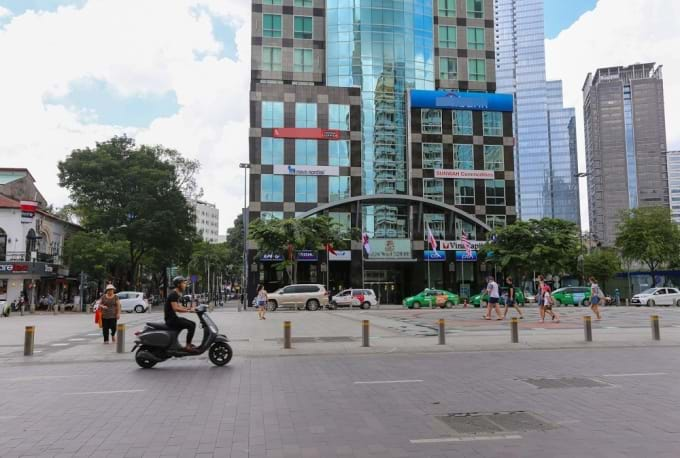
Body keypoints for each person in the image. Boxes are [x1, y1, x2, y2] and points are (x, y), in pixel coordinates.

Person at [165, 276, 197, 352]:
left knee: (191, 323)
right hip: (171, 320)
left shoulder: (176, 294)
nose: (185, 285)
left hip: (173, 318)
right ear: (179, 284)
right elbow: (176, 308)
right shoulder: (173, 294)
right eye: (183, 283)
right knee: (192, 325)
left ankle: (186, 344)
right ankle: (188, 346)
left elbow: (179, 306)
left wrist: (189, 308)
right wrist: (189, 311)